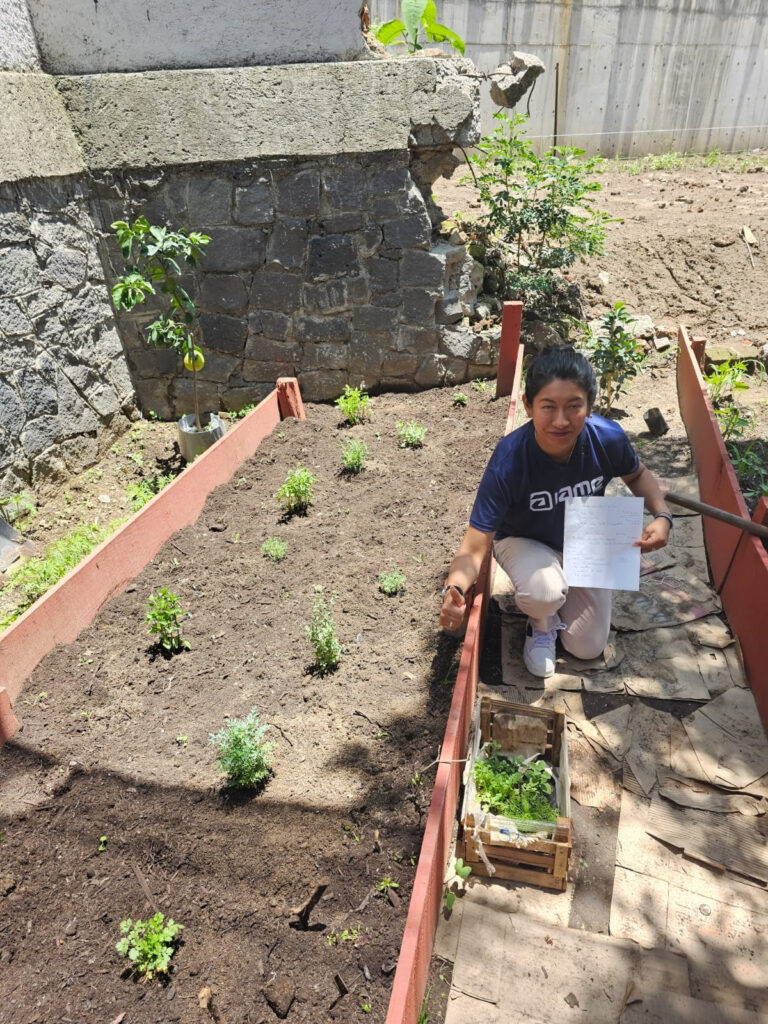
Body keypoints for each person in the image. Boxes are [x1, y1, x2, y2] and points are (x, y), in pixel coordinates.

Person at [439, 345, 672, 677]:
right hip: (523, 540)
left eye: (574, 406)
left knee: (587, 647)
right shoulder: (509, 461)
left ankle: (563, 593)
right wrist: (455, 588)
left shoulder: (607, 439)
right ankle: (541, 624)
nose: (561, 421)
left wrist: (662, 515)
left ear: (589, 407)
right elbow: (474, 547)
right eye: (548, 407)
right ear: (528, 406)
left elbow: (637, 475)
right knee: (544, 592)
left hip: (585, 535)